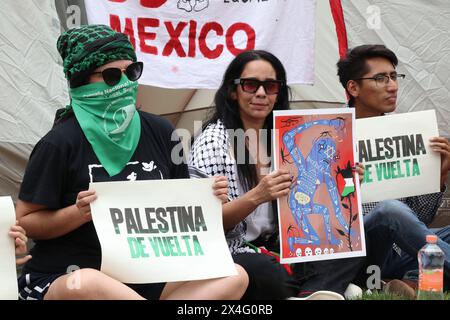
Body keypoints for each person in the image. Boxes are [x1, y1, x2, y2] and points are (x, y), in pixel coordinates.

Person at [15, 24, 248, 300]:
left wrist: (205, 199)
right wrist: (80, 213)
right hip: (69, 274)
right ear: (81, 80)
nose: (126, 83)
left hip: (148, 276)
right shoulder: (59, 143)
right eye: (112, 76)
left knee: (235, 275)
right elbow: (26, 221)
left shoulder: (160, 131)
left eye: (132, 72)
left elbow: (179, 208)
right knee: (89, 282)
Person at [295, 44, 450, 298]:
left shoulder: (404, 133)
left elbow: (420, 219)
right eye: (380, 78)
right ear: (353, 88)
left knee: (414, 224)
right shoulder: (328, 137)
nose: (392, 86)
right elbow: (311, 215)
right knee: (390, 210)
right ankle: (408, 278)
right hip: (355, 251)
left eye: (393, 76)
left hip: (399, 251)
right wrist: (345, 187)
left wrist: (439, 175)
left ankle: (403, 282)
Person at [189, 49, 305, 299]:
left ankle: (314, 288)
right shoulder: (213, 143)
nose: (261, 93)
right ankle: (311, 290)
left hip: (284, 244)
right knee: (267, 272)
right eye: (250, 85)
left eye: (271, 86)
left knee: (342, 248)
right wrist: (257, 195)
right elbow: (203, 223)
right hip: (233, 250)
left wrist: (344, 183)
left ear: (279, 92)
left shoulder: (290, 138)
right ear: (233, 91)